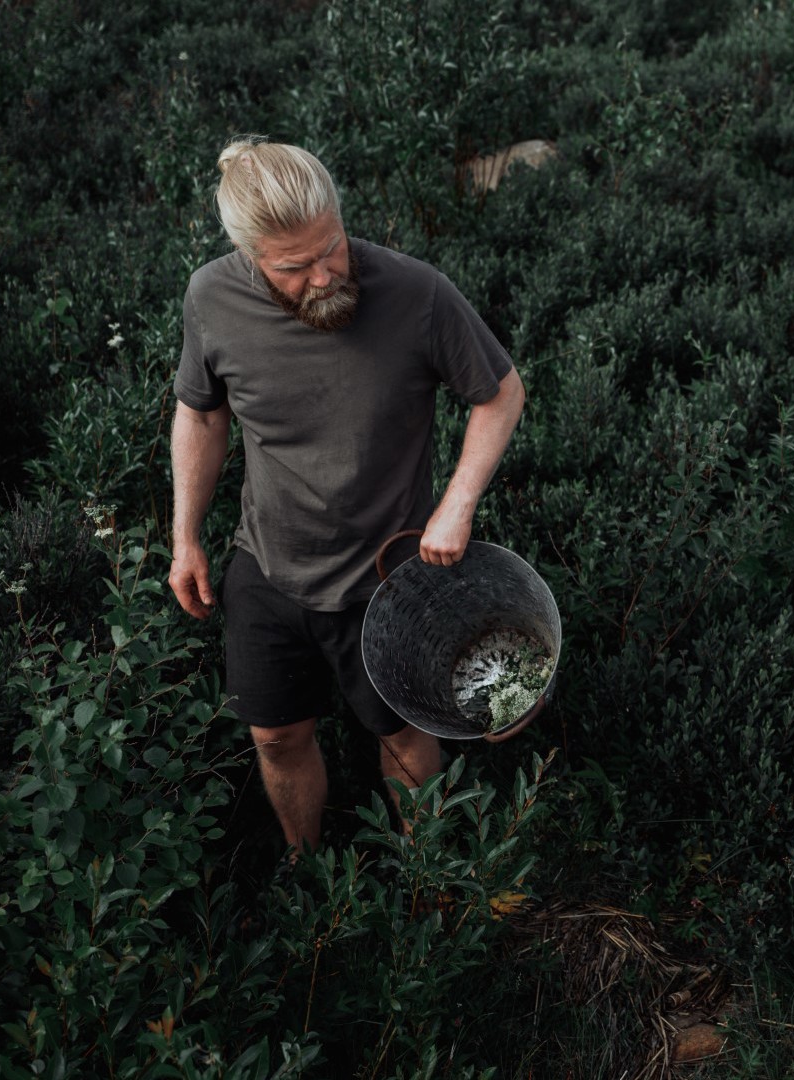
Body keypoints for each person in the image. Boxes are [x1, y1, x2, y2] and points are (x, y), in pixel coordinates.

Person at [167, 136, 524, 855]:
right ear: (249, 256)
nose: (327, 274)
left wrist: (456, 504)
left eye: (332, 246)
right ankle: (308, 871)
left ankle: (426, 885)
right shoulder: (212, 296)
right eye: (294, 267)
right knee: (275, 734)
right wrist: (185, 537)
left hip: (388, 580)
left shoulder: (416, 293)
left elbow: (500, 393)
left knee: (402, 740)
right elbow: (201, 414)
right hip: (266, 568)